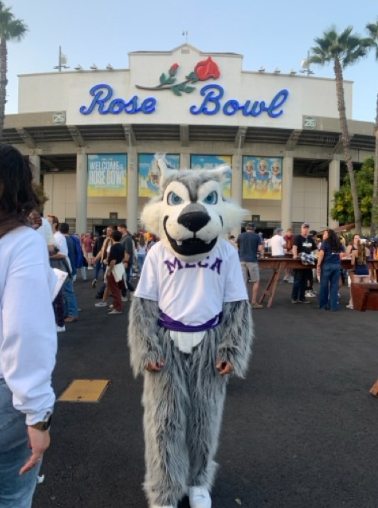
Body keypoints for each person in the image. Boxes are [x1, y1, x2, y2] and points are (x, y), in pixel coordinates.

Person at [0, 144, 57, 508]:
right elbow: (24, 331)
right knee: (12, 493)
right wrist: (38, 416)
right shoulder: (21, 244)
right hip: (5, 393)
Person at [237, 222, 264, 309]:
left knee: (244, 281)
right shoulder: (257, 236)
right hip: (252, 260)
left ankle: (244, 302)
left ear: (246, 228)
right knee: (256, 281)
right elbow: (260, 249)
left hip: (241, 259)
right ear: (254, 228)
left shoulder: (240, 235)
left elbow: (236, 246)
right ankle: (253, 302)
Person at [291, 222, 317, 304]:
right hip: (299, 262)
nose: (305, 230)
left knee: (305, 281)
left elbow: (315, 250)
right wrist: (295, 255)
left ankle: (302, 297)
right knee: (298, 280)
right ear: (301, 229)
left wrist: (320, 255)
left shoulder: (311, 239)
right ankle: (294, 297)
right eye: (304, 228)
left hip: (308, 263)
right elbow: (294, 247)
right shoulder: (297, 238)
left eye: (307, 228)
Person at [317, 229, 342, 311]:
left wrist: (318, 265)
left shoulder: (325, 242)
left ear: (328, 235)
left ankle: (323, 305)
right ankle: (333, 306)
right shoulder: (337, 242)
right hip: (337, 265)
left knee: (324, 286)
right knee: (334, 286)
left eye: (324, 233)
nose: (323, 235)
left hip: (327, 264)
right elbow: (340, 253)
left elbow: (321, 254)